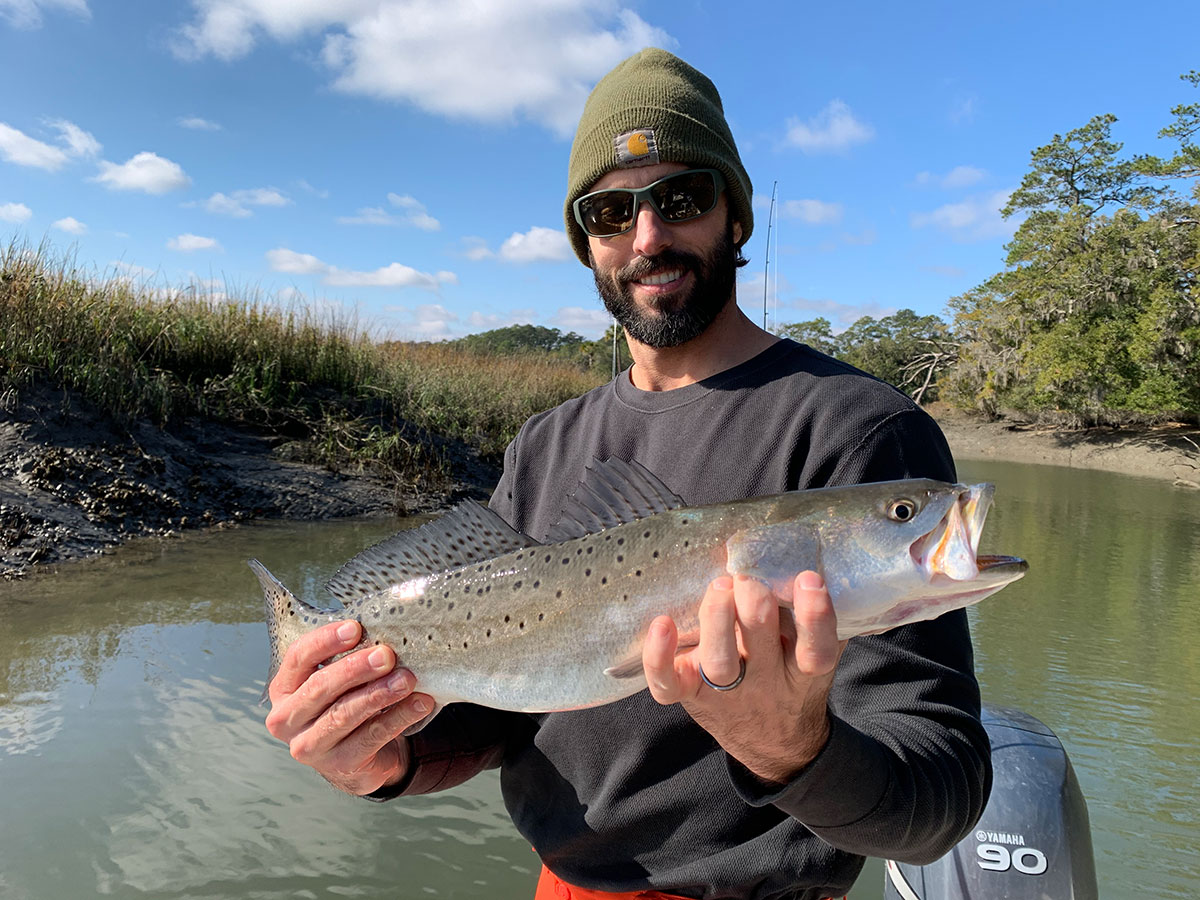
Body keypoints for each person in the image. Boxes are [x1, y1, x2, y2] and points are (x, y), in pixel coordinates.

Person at [264, 48, 991, 900]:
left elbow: (939, 799)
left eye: (681, 199)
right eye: (612, 211)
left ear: (736, 216)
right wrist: (383, 756)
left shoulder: (857, 426)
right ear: (588, 243)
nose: (649, 238)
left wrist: (793, 749)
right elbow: (502, 710)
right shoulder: (545, 443)